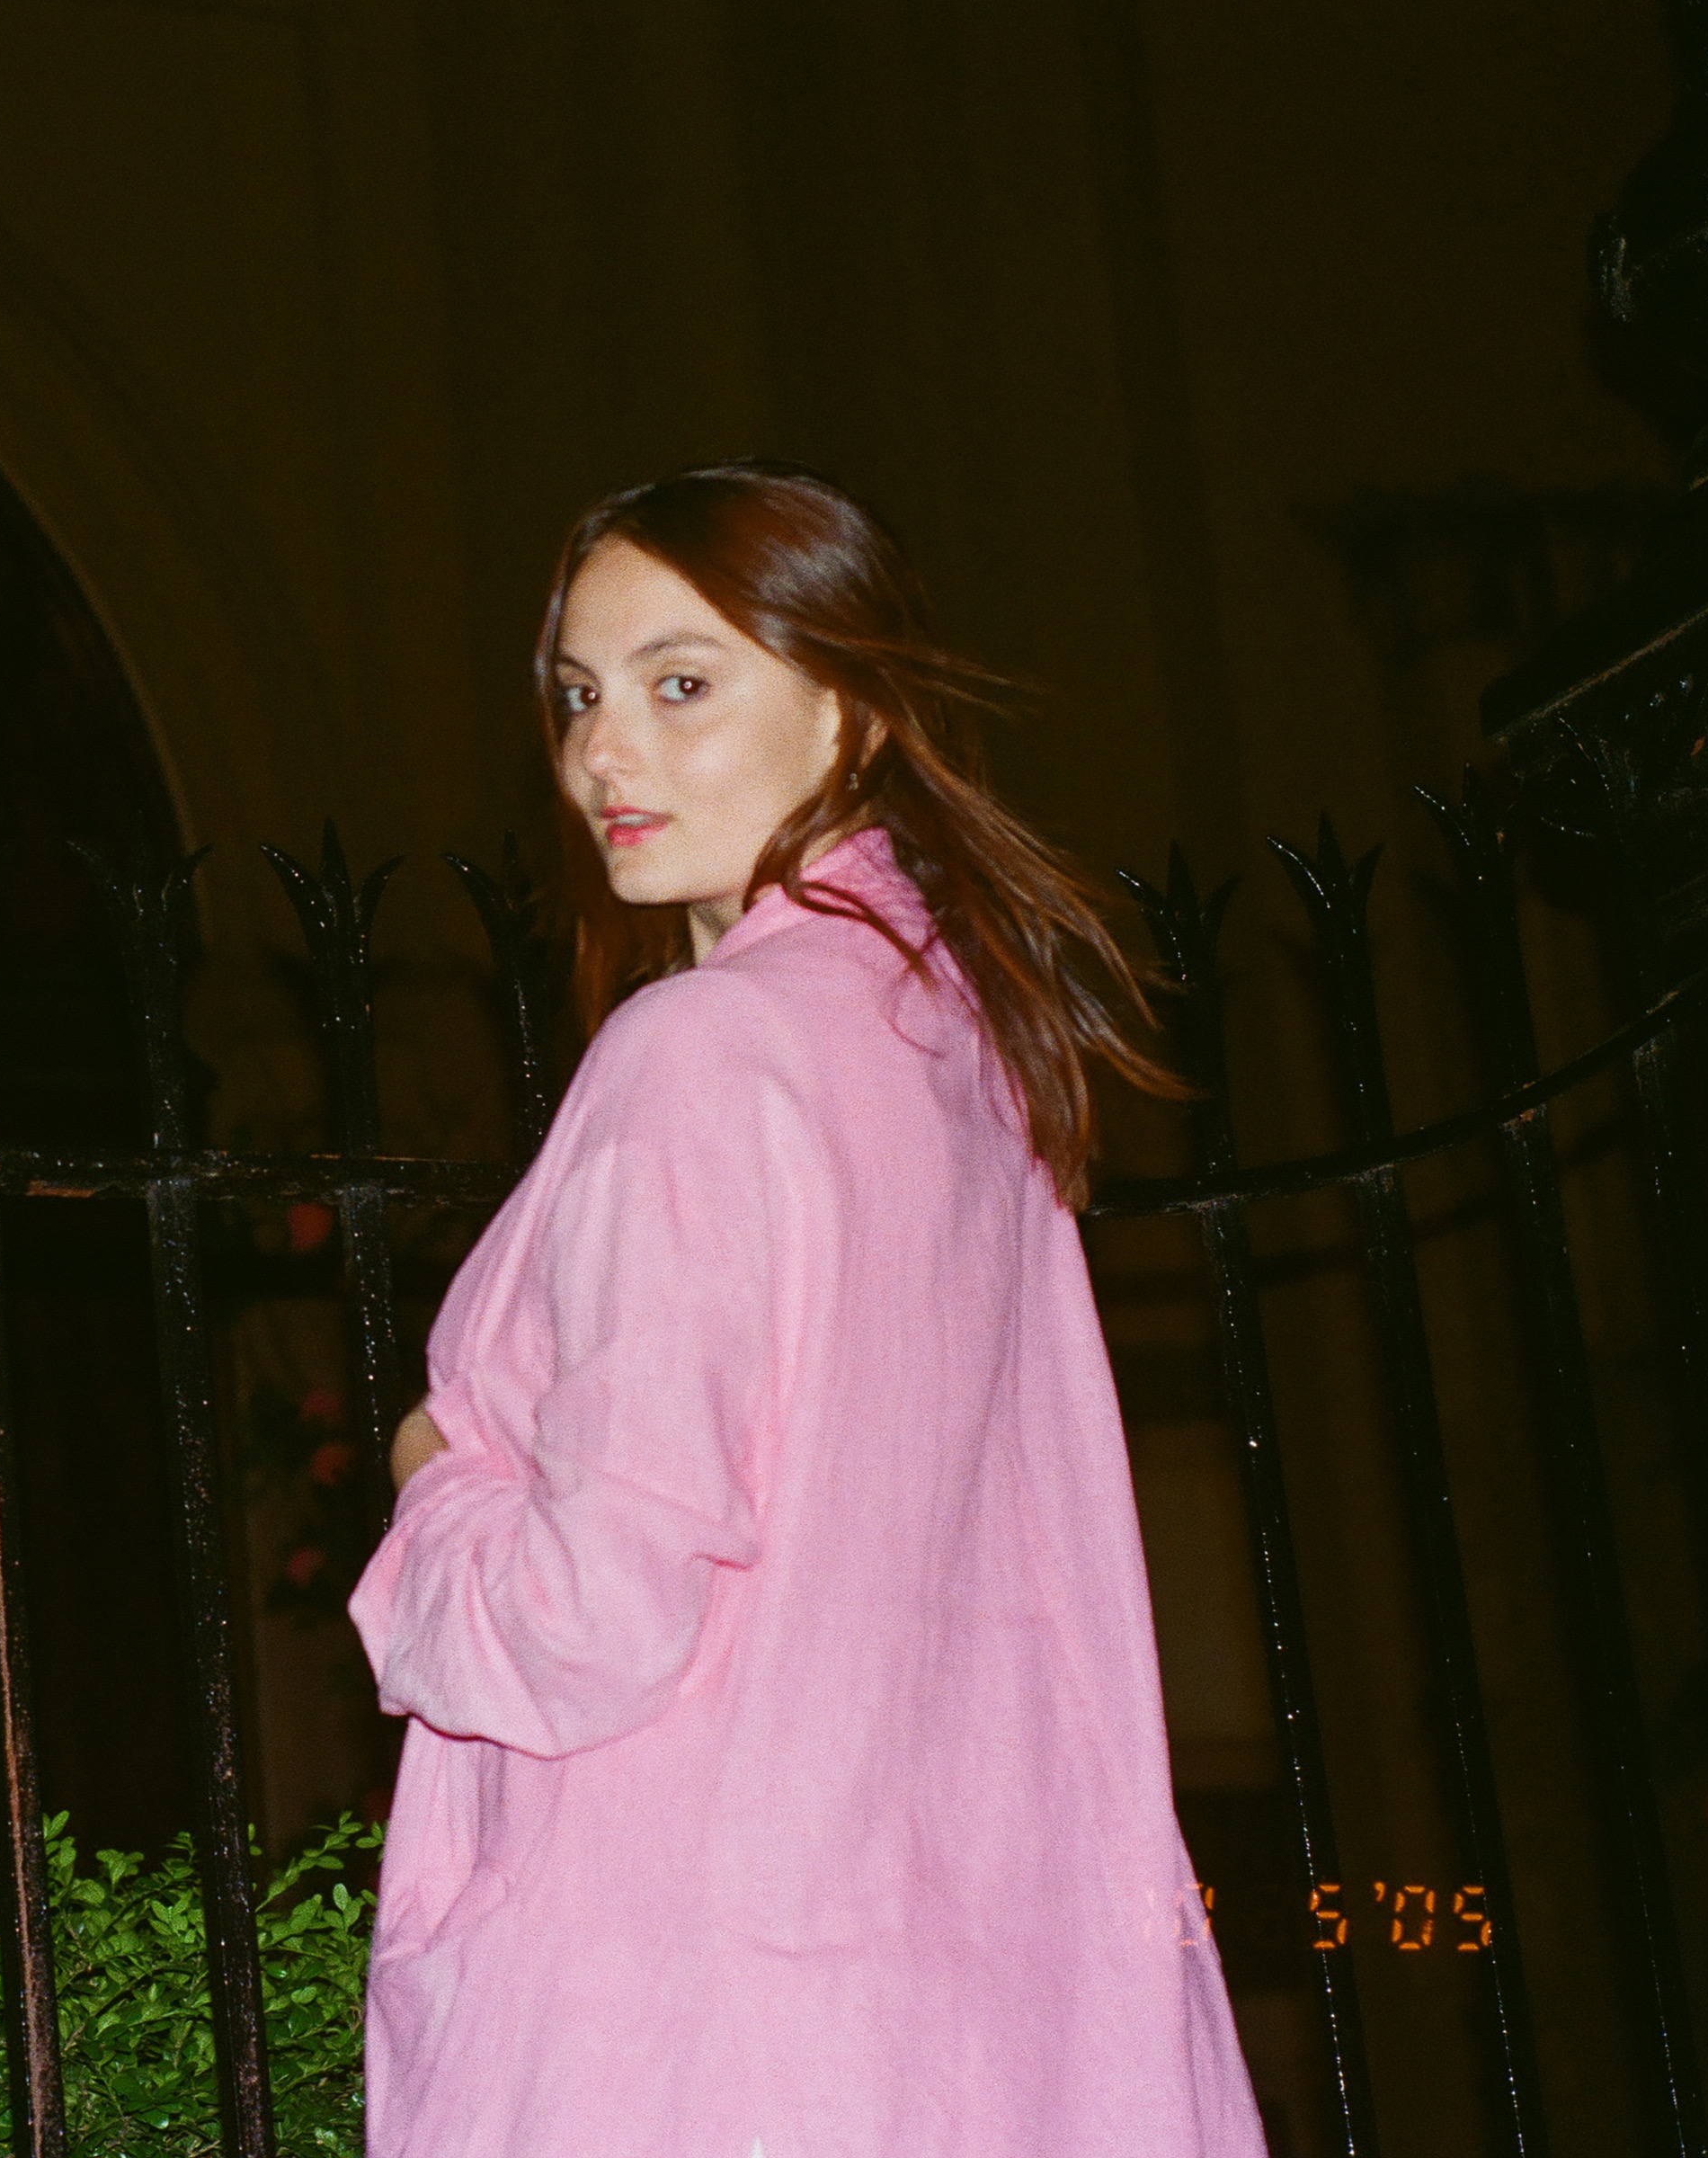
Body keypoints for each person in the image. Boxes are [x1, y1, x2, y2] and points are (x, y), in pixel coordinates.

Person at [344, 459, 1271, 2156]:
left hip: (680, 2017)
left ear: (850, 711)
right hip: (939, 2016)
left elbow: (585, 1617)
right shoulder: (961, 1054)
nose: (604, 754)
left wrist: (432, 1484)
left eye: (681, 686)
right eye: (578, 695)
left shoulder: (704, 1053)